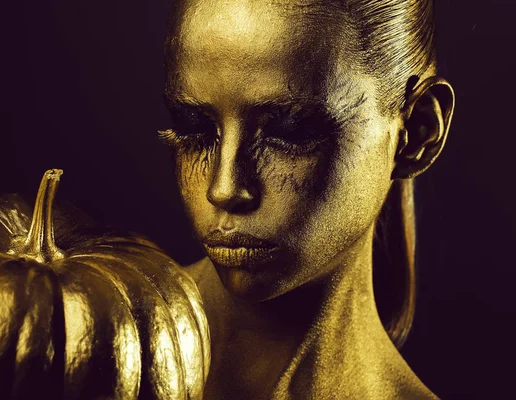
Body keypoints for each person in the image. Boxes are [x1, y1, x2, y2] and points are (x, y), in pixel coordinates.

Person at [157, 0, 455, 399]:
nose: (224, 188)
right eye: (193, 127)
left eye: (290, 132)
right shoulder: (96, 333)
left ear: (416, 133)